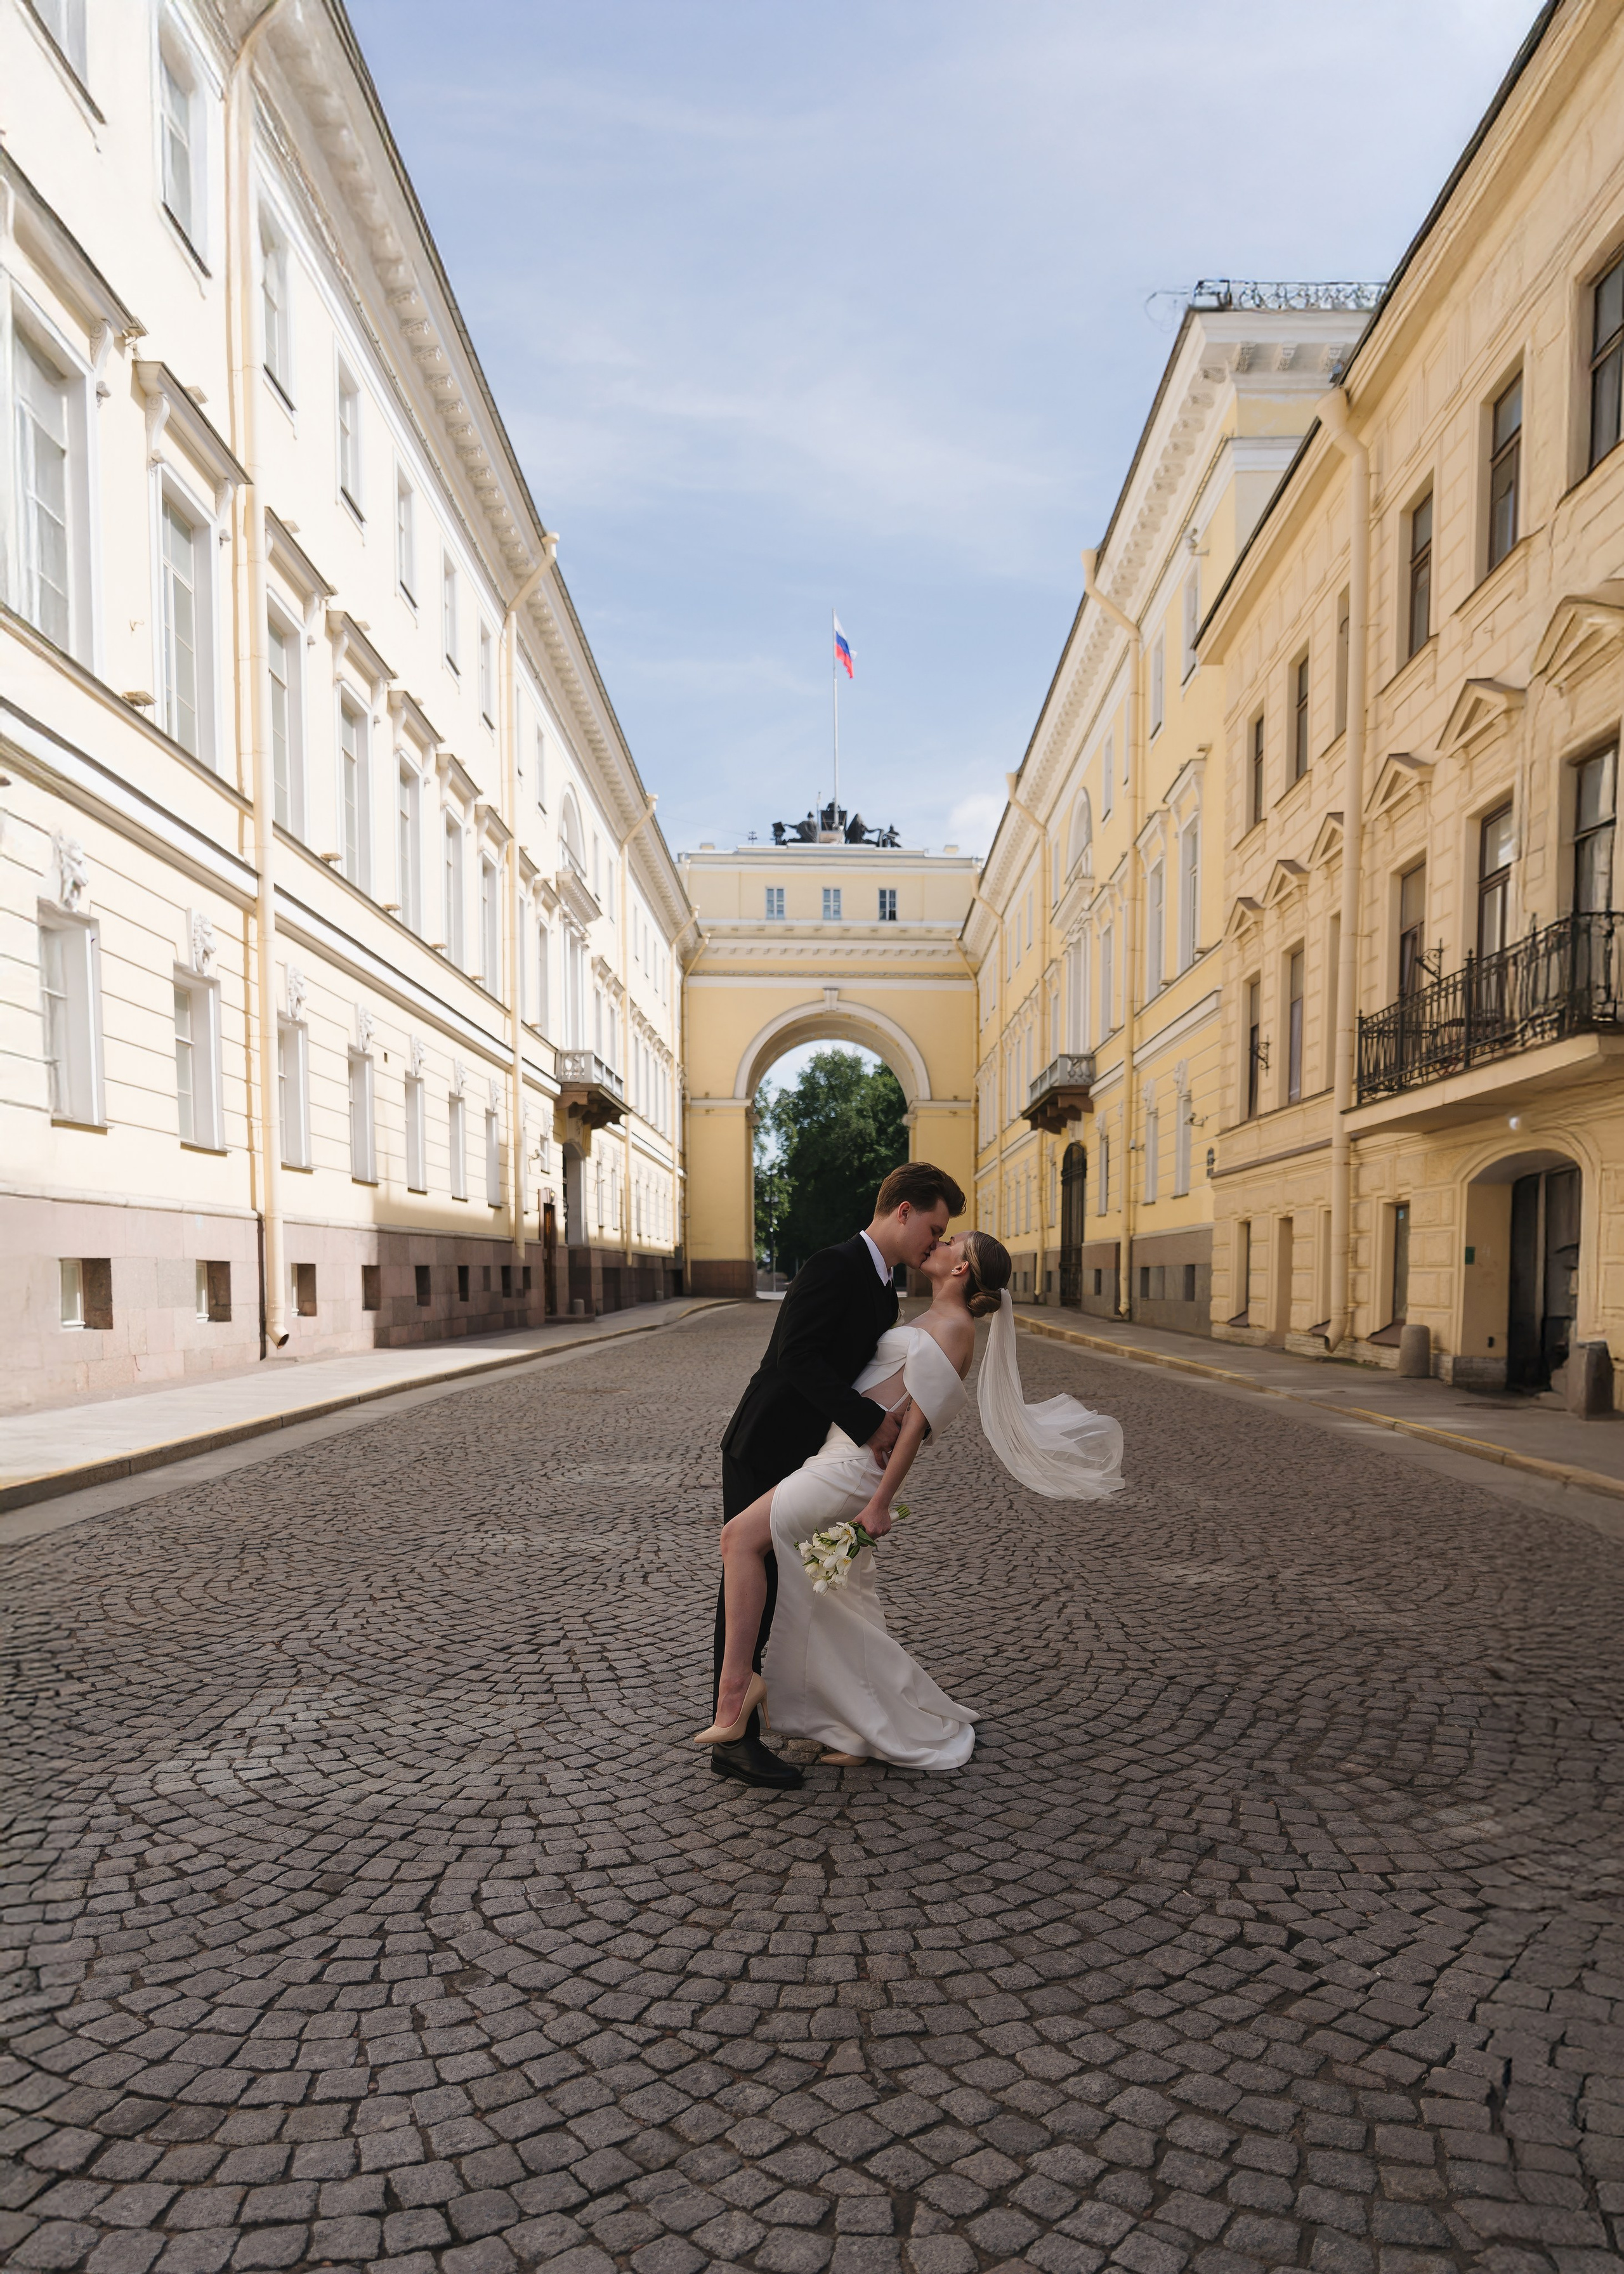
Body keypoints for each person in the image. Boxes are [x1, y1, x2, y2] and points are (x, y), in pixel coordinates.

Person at [697, 1229, 1127, 1775]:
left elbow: (914, 1430)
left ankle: (737, 1687)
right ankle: (854, 1724)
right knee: (835, 1603)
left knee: (738, 1538)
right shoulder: (931, 1317)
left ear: (961, 1269)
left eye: (952, 1241)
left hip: (851, 1469)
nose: (939, 1241)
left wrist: (880, 1503)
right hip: (837, 1451)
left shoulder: (954, 1329)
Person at [709, 1161, 966, 1789]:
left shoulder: (882, 1290)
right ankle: (733, 1739)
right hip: (765, 1445)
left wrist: (891, 1430)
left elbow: (872, 1374)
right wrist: (869, 1427)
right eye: (933, 1228)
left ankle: (833, 1714)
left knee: (821, 1586)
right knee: (753, 1575)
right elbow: (796, 1358)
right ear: (902, 1210)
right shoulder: (832, 1265)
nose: (934, 1242)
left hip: (819, 1459)